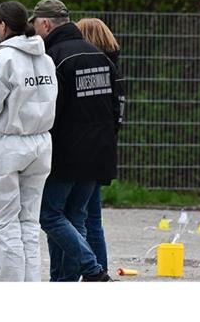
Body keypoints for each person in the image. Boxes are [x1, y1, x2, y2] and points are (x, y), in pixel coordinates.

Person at [30, 0, 122, 282]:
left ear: (45, 24)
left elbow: (49, 111)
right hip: (100, 153)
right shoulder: (100, 57)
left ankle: (92, 269)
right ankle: (64, 283)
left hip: (67, 154)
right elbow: (115, 109)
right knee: (76, 218)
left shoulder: (54, 58)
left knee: (50, 216)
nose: (34, 32)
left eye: (35, 26)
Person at [0, 1, 58, 282]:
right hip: (40, 143)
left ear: (4, 25)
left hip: (6, 146)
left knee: (3, 224)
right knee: (29, 224)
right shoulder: (45, 59)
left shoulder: (1, 59)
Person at [71, 17, 124, 278]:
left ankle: (92, 271)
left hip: (83, 151)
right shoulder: (113, 67)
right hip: (104, 150)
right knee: (94, 219)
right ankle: (99, 271)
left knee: (77, 217)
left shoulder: (86, 65)